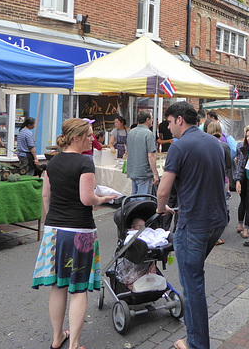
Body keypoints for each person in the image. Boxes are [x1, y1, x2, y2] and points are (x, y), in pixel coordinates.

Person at [32, 118, 119, 349]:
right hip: (79, 230)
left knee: (58, 285)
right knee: (78, 288)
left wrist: (53, 221)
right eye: (89, 135)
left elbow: (45, 196)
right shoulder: (85, 163)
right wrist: (104, 198)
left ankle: (57, 336)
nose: (93, 139)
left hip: (54, 230)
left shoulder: (51, 163)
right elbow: (87, 199)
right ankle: (75, 344)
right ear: (76, 137)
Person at [156, 101, 228, 349]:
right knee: (194, 278)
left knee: (192, 284)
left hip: (194, 224)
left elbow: (163, 189)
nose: (168, 126)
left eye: (168, 121)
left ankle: (197, 343)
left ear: (179, 120)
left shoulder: (179, 147)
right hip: (216, 221)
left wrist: (159, 208)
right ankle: (195, 338)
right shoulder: (216, 143)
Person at [205, 120, 232, 246]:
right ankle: (216, 235)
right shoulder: (224, 146)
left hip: (206, 180)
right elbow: (228, 164)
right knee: (219, 206)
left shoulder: (203, 145)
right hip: (220, 180)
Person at [125, 110, 159, 195]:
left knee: (134, 197)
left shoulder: (131, 132)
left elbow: (128, 151)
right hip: (144, 171)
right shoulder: (148, 134)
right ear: (147, 119)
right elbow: (151, 155)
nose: (152, 121)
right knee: (142, 199)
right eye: (151, 118)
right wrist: (155, 173)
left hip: (132, 170)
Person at [234, 125, 249, 239]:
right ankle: (244, 227)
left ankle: (241, 225)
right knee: (248, 203)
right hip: (246, 177)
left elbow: (237, 159)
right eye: (248, 136)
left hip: (242, 175)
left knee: (244, 202)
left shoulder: (239, 145)